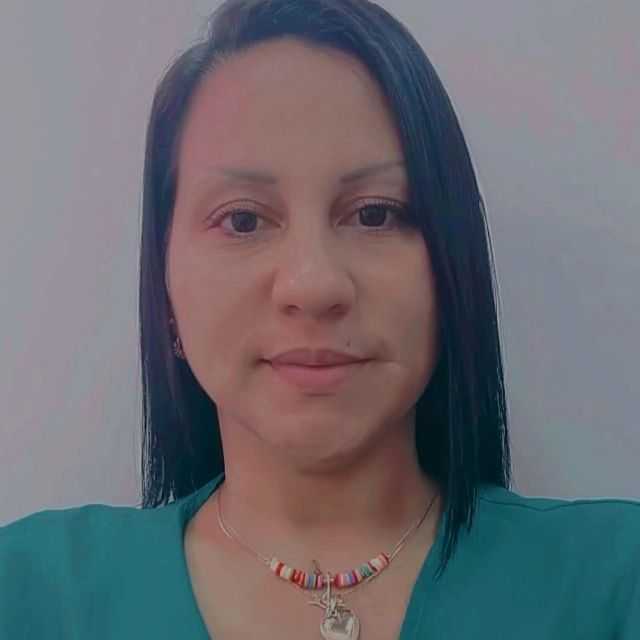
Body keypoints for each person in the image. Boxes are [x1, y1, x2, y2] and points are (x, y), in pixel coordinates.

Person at [1, 0, 639, 638]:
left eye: (375, 214)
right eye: (243, 219)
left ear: (452, 265)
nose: (314, 285)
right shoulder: (28, 593)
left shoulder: (614, 581)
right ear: (164, 290)